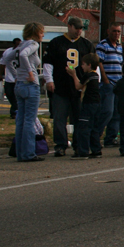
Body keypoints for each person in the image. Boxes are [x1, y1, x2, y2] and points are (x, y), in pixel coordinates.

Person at [43, 17, 95, 157]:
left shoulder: (86, 44)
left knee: (79, 118)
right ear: (69, 26)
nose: (79, 31)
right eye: (76, 28)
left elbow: (93, 66)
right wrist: (49, 80)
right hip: (61, 86)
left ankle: (78, 145)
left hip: (78, 88)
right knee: (60, 117)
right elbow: (48, 63)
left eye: (81, 29)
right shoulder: (56, 43)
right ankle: (61, 145)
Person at [16, 22, 46, 163]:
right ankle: (28, 153)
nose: (43, 35)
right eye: (41, 32)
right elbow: (23, 55)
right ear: (34, 33)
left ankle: (20, 152)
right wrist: (30, 73)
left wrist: (15, 74)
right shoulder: (33, 45)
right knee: (29, 120)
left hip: (19, 84)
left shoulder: (20, 44)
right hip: (30, 85)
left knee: (20, 120)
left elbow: (7, 59)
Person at [67, 53, 102, 159]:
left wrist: (73, 75)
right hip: (97, 104)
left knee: (84, 127)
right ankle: (96, 150)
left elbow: (78, 86)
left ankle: (83, 151)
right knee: (94, 127)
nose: (82, 66)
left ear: (89, 65)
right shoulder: (96, 75)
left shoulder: (88, 76)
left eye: (83, 64)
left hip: (88, 104)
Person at [95, 22, 123, 147]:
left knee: (117, 113)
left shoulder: (120, 46)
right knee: (107, 111)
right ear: (108, 31)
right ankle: (95, 135)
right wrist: (105, 79)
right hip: (108, 83)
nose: (116, 34)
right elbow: (98, 62)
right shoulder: (102, 45)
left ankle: (111, 138)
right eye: (114, 31)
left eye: (118, 31)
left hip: (118, 82)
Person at [0, 38, 21, 119]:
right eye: (17, 44)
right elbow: (2, 63)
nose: (19, 46)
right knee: (9, 95)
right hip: (9, 78)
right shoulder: (8, 52)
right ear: (14, 44)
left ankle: (14, 112)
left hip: (19, 79)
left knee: (17, 96)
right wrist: (0, 75)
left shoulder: (22, 52)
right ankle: (15, 110)